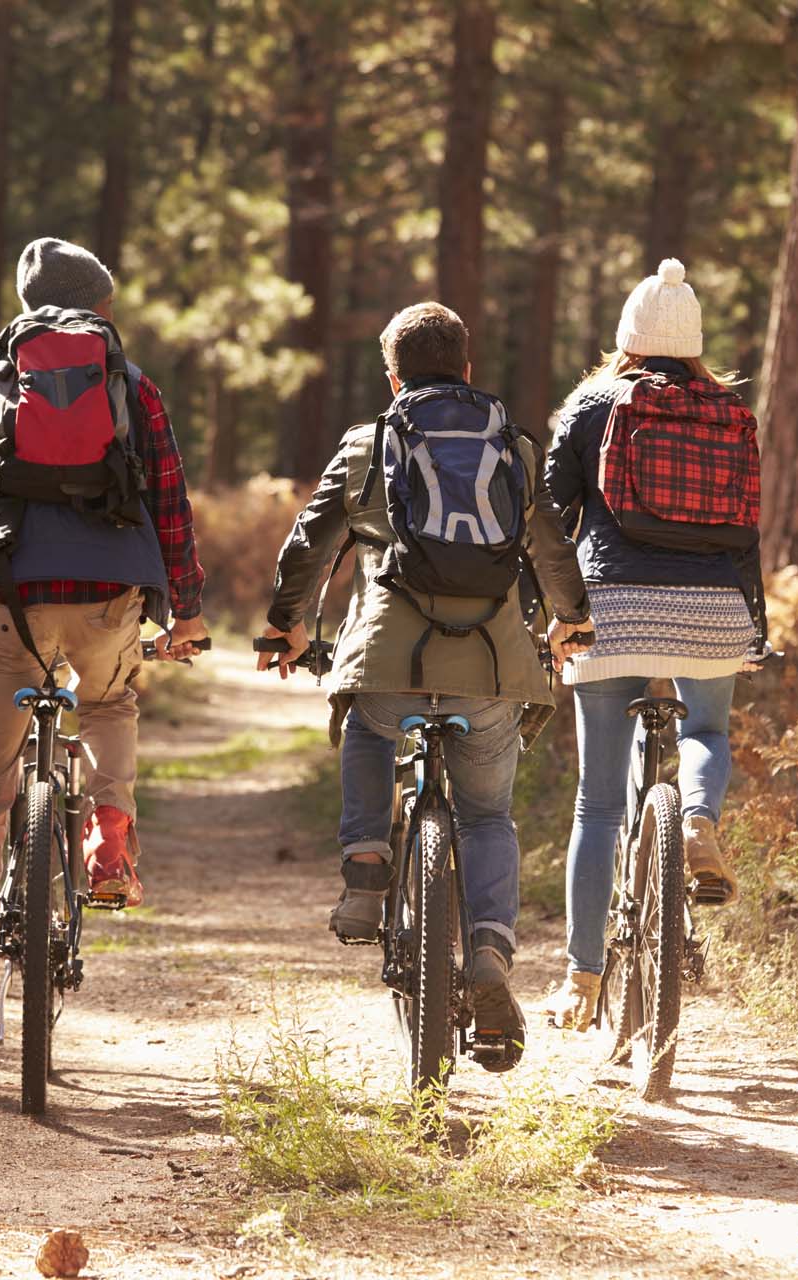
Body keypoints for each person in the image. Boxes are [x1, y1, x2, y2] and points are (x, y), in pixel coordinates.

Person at [259, 302, 591, 1064]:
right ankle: (488, 957)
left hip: (389, 658)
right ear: (467, 369)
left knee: (370, 729)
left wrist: (288, 623)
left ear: (392, 373)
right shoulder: (513, 444)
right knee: (487, 817)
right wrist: (571, 620)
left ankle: (367, 873)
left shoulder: (369, 443)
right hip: (494, 665)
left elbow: (311, 541)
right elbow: (550, 549)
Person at [0, 237, 209, 1039]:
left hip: (4, 598)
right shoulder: (130, 385)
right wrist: (187, 609)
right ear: (100, 306)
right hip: (108, 598)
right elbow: (169, 501)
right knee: (107, 702)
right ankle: (109, 838)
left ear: (26, 305)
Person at [542, 259, 768, 1032]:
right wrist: (754, 624)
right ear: (696, 343)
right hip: (712, 611)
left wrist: (555, 609)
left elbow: (547, 516)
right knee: (706, 730)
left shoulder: (593, 403)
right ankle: (697, 820)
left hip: (611, 609)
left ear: (626, 340)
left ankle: (581, 976)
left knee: (598, 803)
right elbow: (745, 530)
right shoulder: (730, 410)